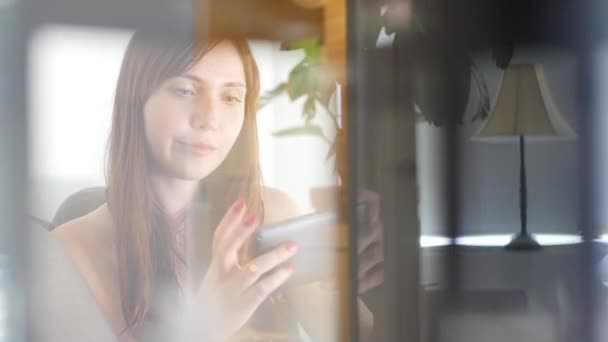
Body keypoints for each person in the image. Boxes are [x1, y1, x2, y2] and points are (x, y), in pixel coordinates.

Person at [52, 29, 383, 341]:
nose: (209, 118)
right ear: (136, 99)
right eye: (185, 90)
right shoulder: (68, 252)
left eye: (230, 97)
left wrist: (344, 285)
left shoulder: (273, 214)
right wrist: (204, 328)